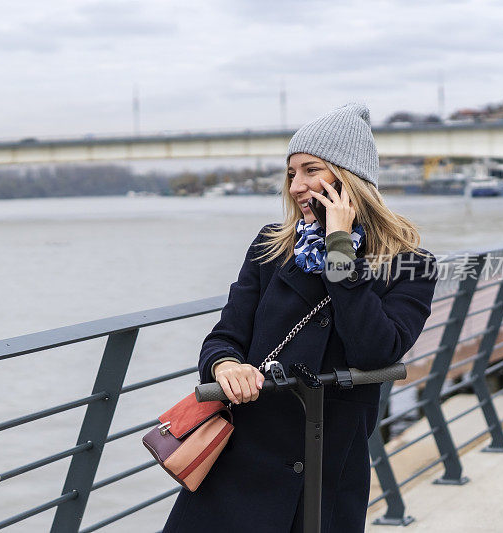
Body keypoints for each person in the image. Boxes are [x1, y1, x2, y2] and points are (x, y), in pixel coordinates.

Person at [162, 104, 439, 533]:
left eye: (311, 171)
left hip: (327, 469)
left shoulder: (410, 263)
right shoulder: (271, 247)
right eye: (292, 173)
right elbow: (225, 335)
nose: (296, 186)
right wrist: (226, 365)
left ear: (351, 180)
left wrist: (339, 248)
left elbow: (376, 350)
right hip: (240, 463)